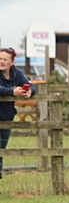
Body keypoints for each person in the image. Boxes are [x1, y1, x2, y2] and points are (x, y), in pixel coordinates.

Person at [0, 46, 36, 179]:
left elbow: (31, 85)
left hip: (7, 117)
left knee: (2, 149)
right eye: (0, 59)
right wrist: (11, 92)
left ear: (12, 62)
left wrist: (29, 91)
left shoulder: (17, 74)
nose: (2, 61)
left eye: (5, 59)